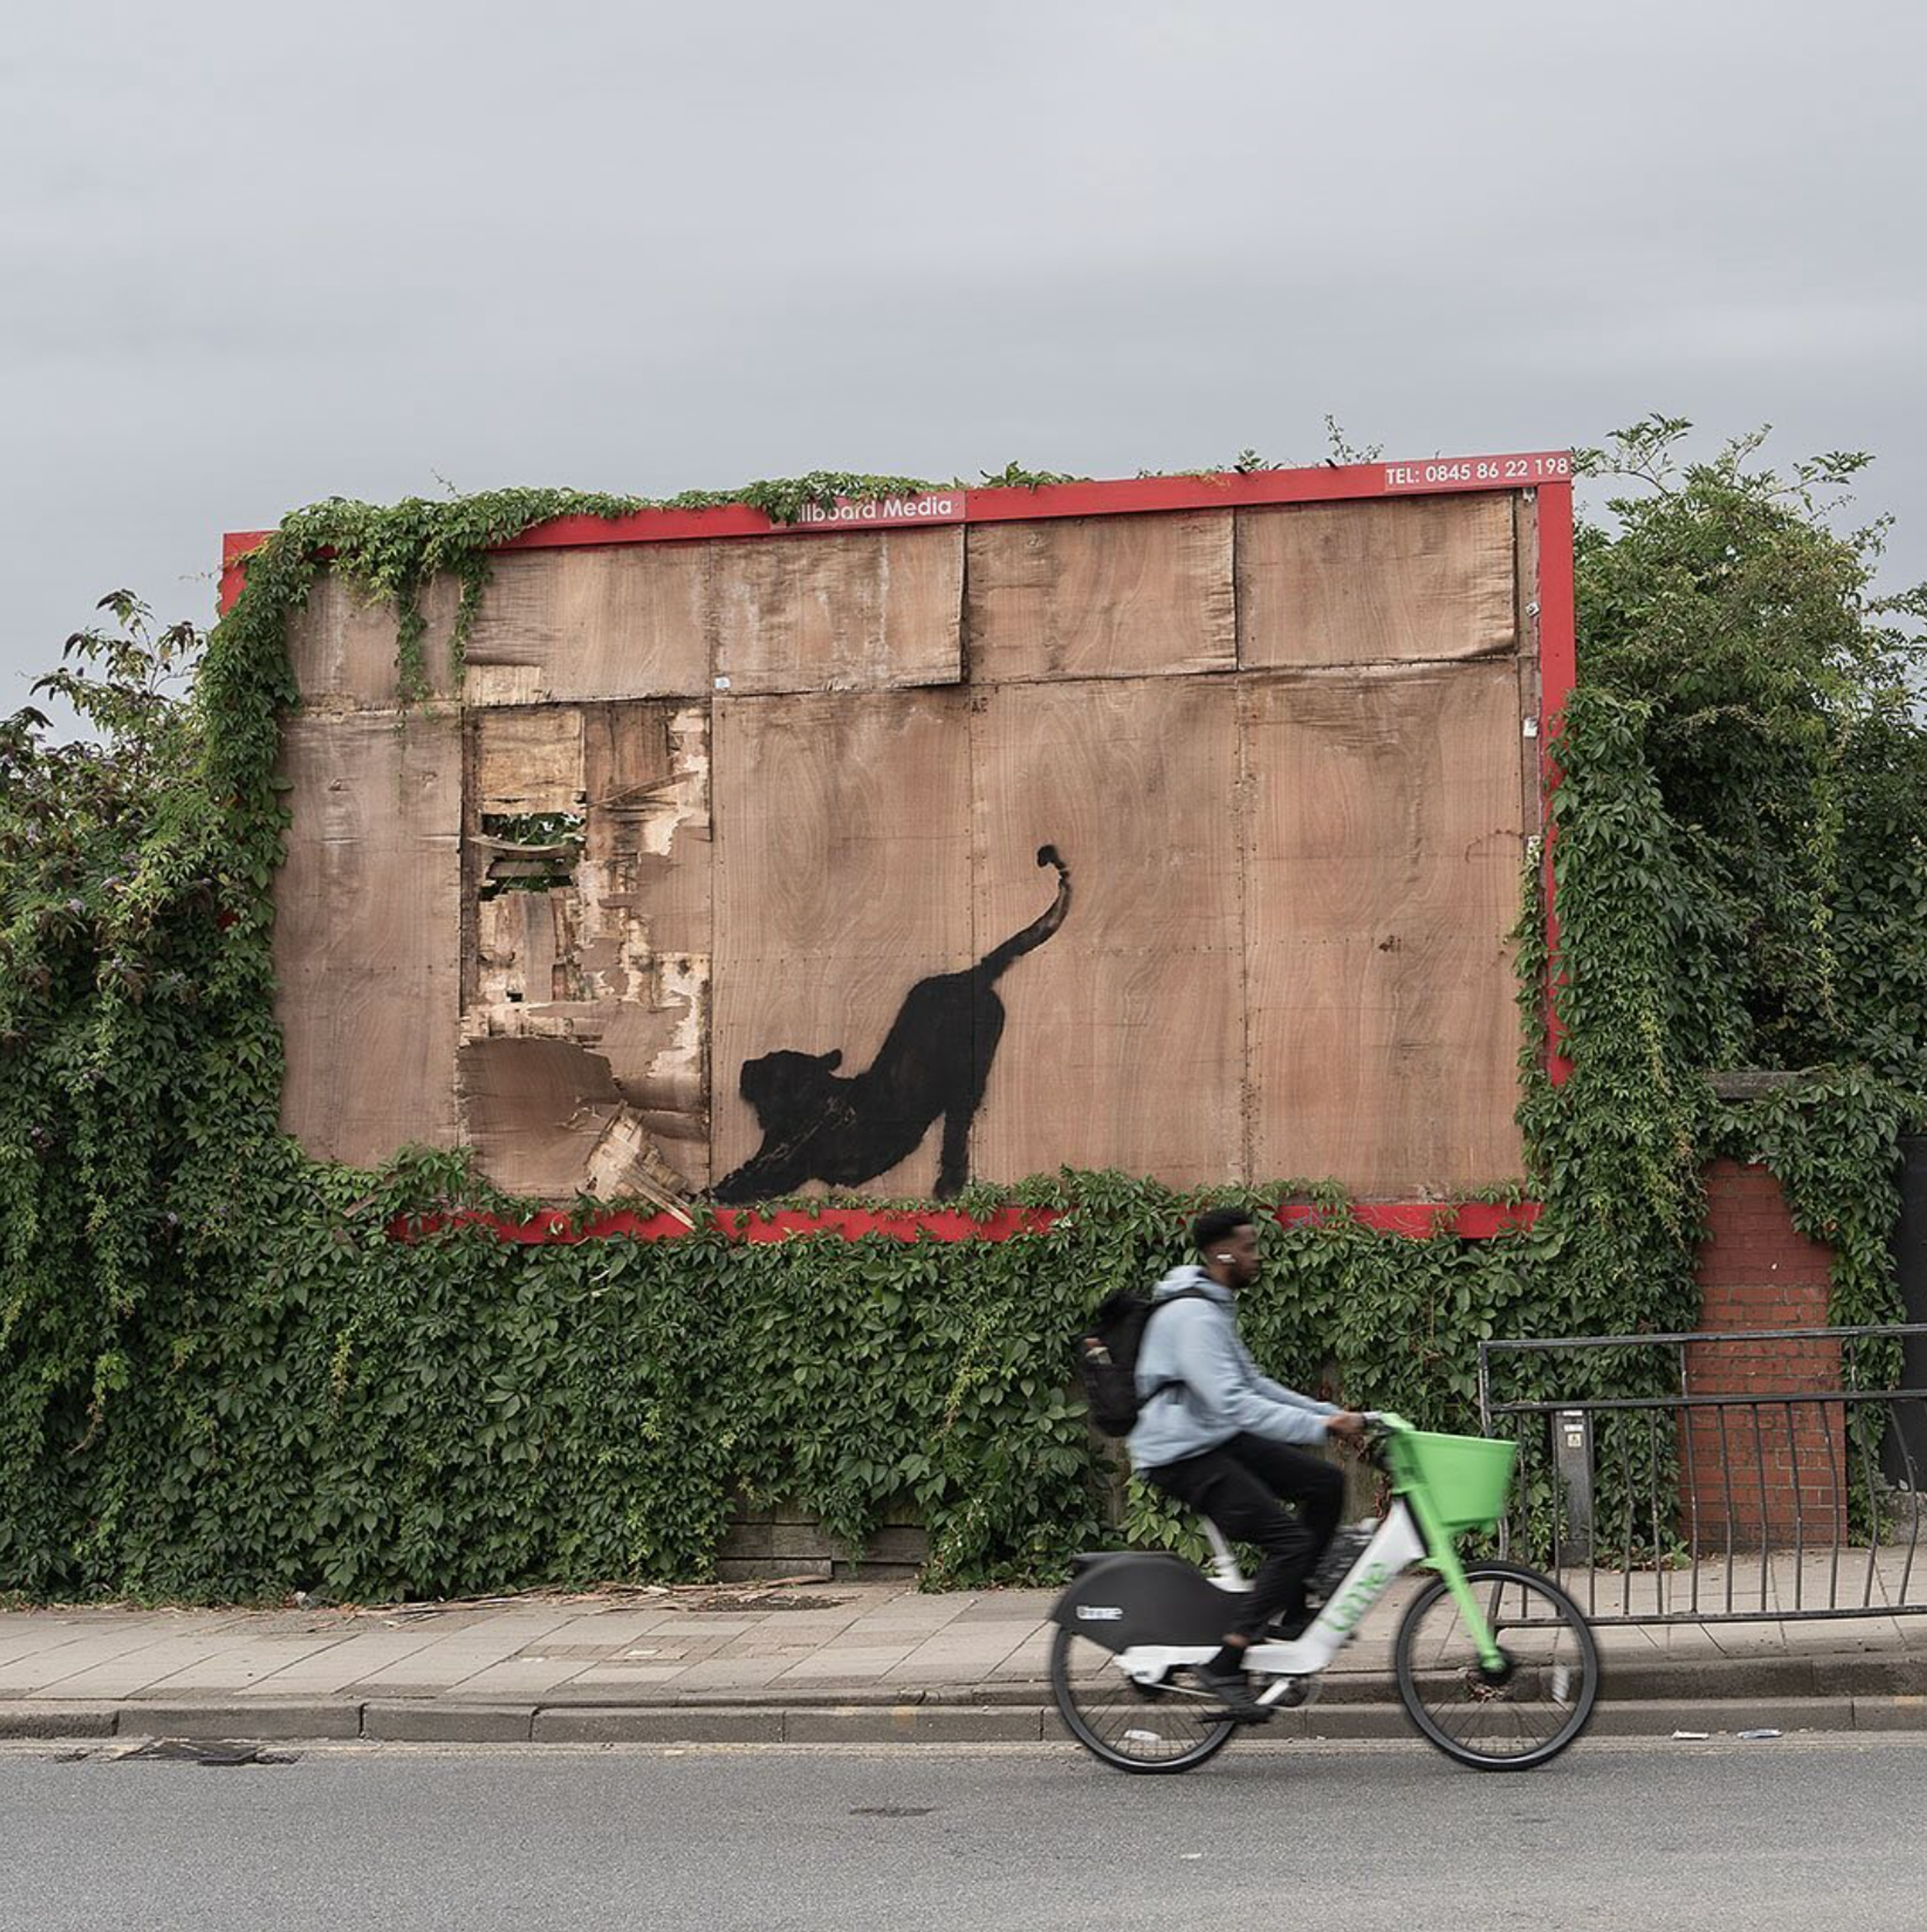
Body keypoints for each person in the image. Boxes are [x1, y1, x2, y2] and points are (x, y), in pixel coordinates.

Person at [1128, 1206, 1365, 1717]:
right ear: (1223, 1253)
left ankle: (1293, 1610)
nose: (1258, 1258)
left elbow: (1254, 1385)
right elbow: (1234, 1403)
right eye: (1251, 1247)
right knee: (1289, 1542)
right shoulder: (1193, 1317)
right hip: (1182, 1454)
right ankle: (1227, 1660)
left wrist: (1333, 1415)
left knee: (1324, 1484)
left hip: (1212, 1438)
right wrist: (1321, 1427)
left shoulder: (1211, 1306)